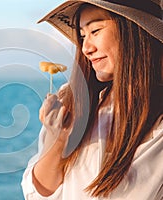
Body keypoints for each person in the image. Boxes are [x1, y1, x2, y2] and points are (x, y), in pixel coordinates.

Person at [21, 0, 163, 199]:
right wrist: (58, 139)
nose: (86, 47)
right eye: (82, 35)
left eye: (95, 31)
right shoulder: (72, 100)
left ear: (133, 31)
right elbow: (38, 193)